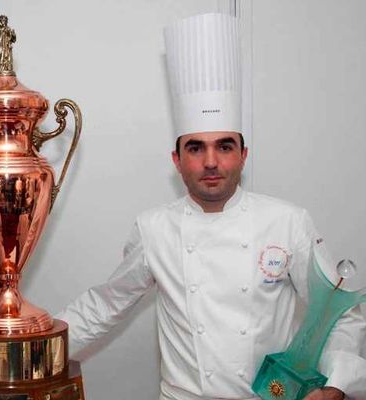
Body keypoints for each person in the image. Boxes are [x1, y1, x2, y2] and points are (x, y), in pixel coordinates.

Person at [56, 13, 366, 400]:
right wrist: (27, 343)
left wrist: (336, 385)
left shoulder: (288, 222)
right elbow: (102, 307)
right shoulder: (154, 229)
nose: (210, 162)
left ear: (243, 154)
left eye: (224, 145)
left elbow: (337, 311)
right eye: (195, 147)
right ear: (176, 159)